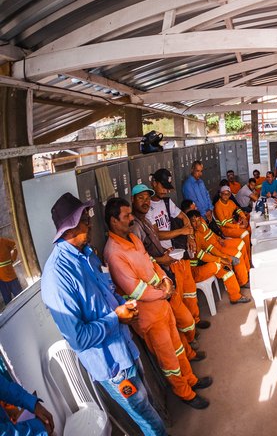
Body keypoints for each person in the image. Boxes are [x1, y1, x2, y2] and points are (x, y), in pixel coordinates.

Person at [41, 193, 168, 434]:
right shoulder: (57, 277)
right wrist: (115, 318)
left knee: (148, 405)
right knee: (146, 418)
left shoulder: (87, 255)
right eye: (84, 219)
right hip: (112, 366)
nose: (89, 223)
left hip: (126, 347)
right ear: (69, 227)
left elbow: (107, 292)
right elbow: (78, 338)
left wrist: (123, 304)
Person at [103, 198, 212, 409]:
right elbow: (135, 289)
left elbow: (152, 263)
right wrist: (163, 292)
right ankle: (185, 393)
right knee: (169, 360)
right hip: (149, 317)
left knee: (178, 348)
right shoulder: (114, 253)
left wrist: (166, 279)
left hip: (162, 306)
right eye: (126, 216)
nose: (131, 218)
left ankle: (191, 380)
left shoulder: (133, 239)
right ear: (114, 221)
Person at [131, 184, 202, 358]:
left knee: (179, 317)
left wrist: (165, 254)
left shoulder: (146, 220)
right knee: (179, 320)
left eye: (147, 198)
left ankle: (190, 347)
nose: (146, 202)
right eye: (141, 198)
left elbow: (154, 243)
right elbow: (143, 257)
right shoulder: (135, 228)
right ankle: (189, 350)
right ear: (132, 200)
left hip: (164, 272)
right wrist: (162, 259)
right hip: (156, 284)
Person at [149, 169, 209, 331]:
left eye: (167, 187)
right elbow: (156, 235)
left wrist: (189, 235)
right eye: (162, 186)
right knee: (178, 296)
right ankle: (187, 331)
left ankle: (195, 320)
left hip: (179, 253)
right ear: (153, 183)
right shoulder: (148, 208)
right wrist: (182, 232)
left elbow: (183, 216)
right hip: (167, 258)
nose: (165, 190)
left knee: (190, 291)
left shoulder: (167, 202)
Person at [187, 210, 250, 305]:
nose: (197, 223)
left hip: (204, 264)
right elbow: (201, 255)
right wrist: (220, 259)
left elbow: (209, 247)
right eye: (193, 221)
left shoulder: (198, 234)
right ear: (188, 222)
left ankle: (235, 297)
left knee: (226, 268)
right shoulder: (189, 238)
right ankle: (239, 286)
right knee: (219, 265)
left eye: (198, 220)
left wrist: (224, 257)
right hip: (193, 271)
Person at [0, 237, 20, 304]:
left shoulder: (4, 241)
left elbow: (15, 247)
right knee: (8, 302)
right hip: (1, 281)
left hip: (11, 277)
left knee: (20, 297)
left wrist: (13, 259)